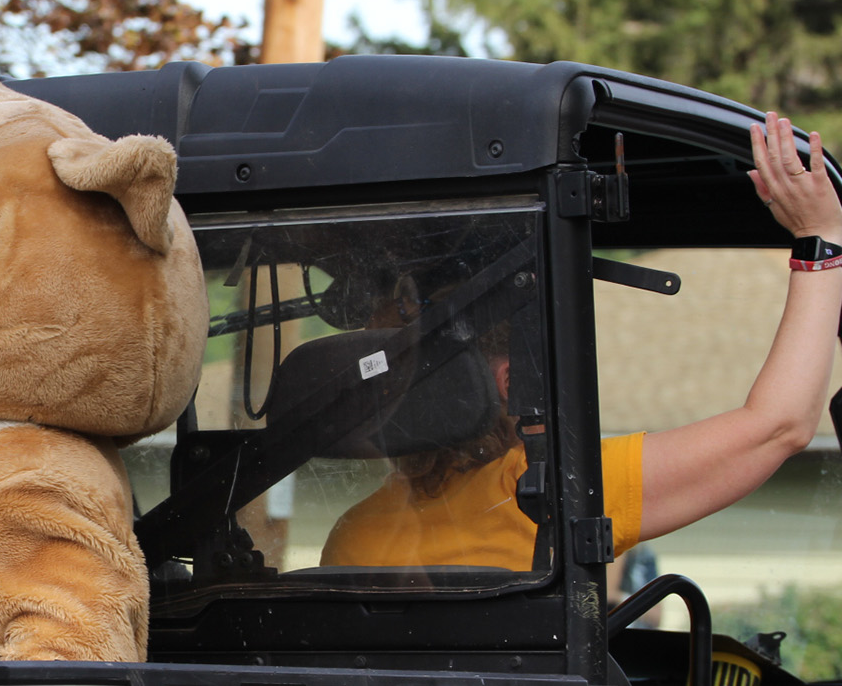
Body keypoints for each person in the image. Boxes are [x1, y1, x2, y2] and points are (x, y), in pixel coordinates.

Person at [321, 113, 842, 570]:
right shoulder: (540, 493)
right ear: (509, 382)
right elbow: (779, 427)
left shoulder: (354, 533)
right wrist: (820, 236)